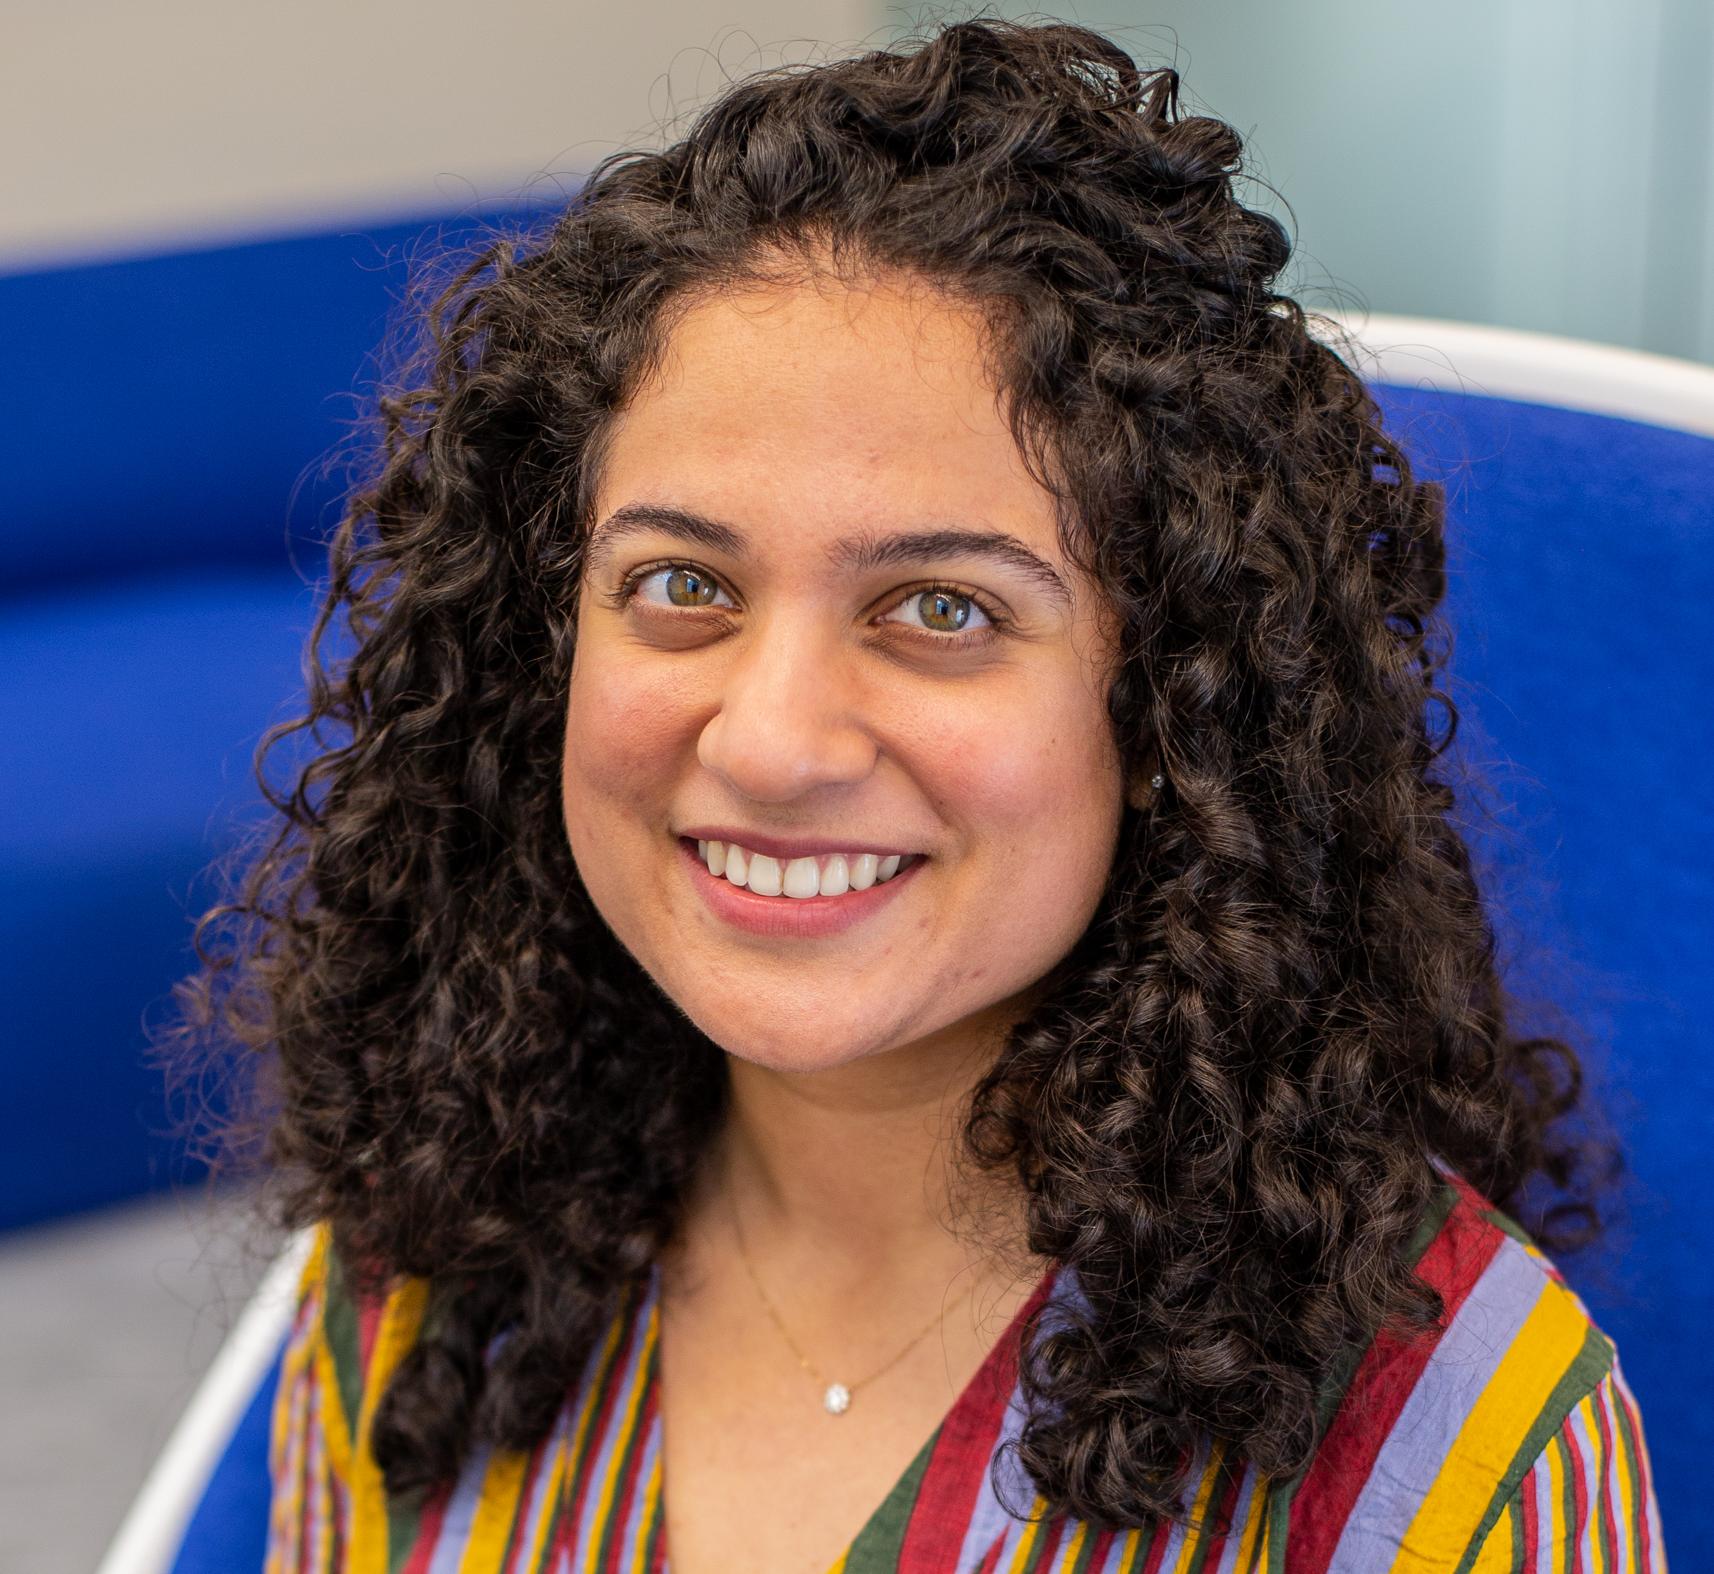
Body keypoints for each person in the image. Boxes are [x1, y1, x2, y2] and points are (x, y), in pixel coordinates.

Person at [180, 17, 1665, 1571]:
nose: (769, 741)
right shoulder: (440, 1239)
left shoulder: (1440, 1447)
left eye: (941, 608)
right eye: (681, 581)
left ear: (1169, 705)